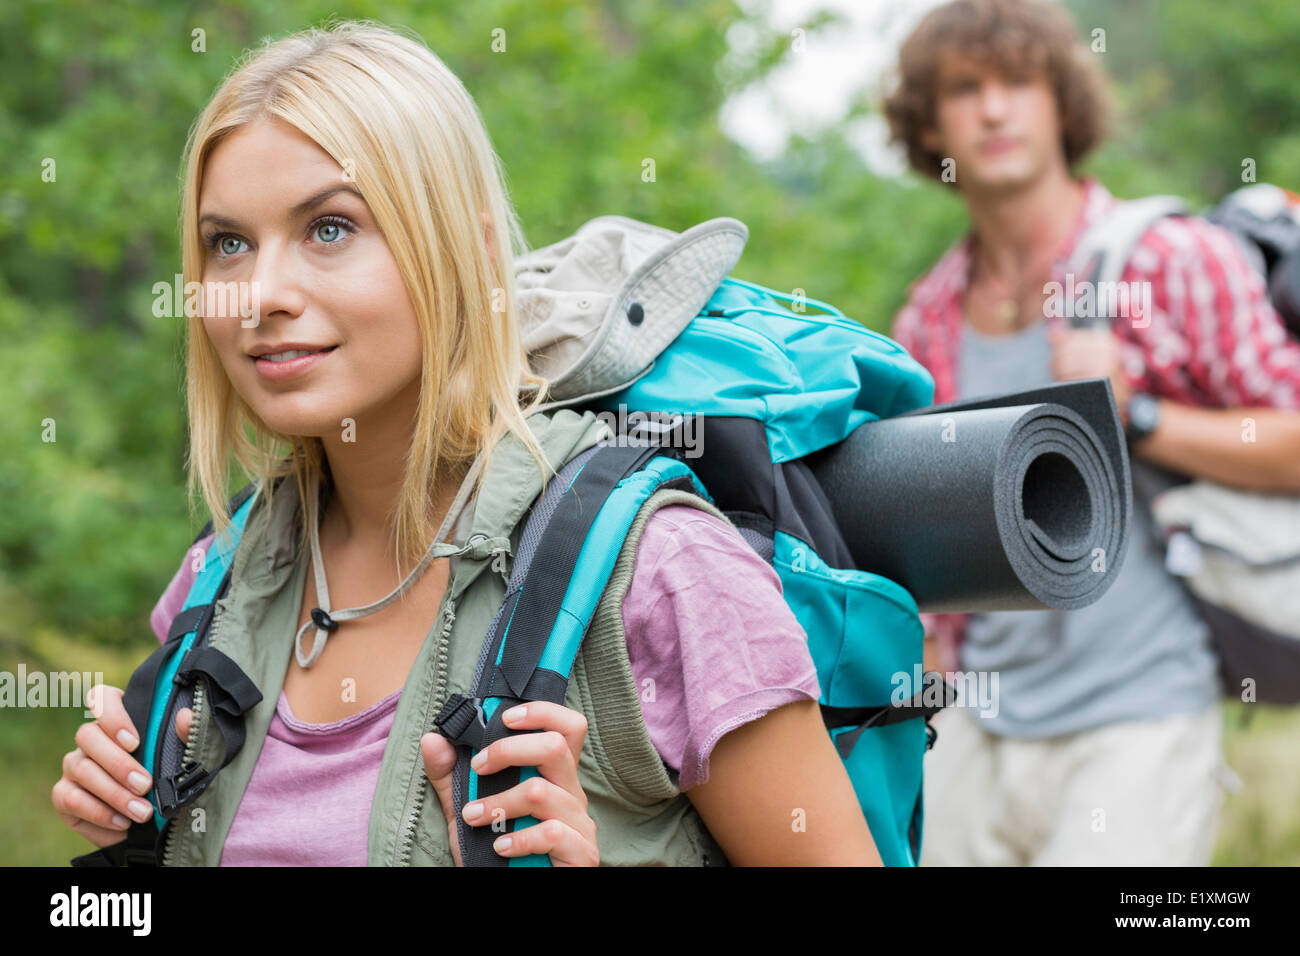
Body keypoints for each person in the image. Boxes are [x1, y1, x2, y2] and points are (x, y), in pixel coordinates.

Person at [51, 20, 881, 866]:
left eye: (329, 228)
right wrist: (128, 846)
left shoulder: (661, 572)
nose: (259, 295)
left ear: (467, 249)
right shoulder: (219, 579)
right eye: (229, 243)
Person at [883, 0, 1300, 865]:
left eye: (1018, 82)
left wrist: (1137, 415)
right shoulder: (926, 319)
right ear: (930, 125)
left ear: (1062, 101)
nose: (993, 110)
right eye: (964, 89)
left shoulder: (1171, 259)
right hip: (975, 718)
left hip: (1140, 717)